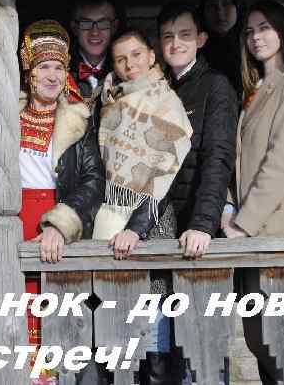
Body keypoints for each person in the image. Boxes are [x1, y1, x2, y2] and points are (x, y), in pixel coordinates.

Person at [94, 29, 192, 385]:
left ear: (151, 56)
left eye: (136, 55)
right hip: (110, 222)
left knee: (152, 339)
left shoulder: (166, 102)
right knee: (116, 339)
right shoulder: (109, 100)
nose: (129, 64)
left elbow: (166, 175)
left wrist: (136, 228)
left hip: (152, 223)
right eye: (120, 59)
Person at [222, 0, 284, 385]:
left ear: (282, 31)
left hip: (276, 232)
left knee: (280, 349)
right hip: (248, 236)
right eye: (249, 31)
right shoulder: (253, 90)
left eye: (265, 28)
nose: (256, 37)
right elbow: (238, 163)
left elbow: (282, 160)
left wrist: (244, 223)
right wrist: (228, 210)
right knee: (259, 342)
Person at [152, 4, 238, 385]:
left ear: (201, 39)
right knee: (162, 349)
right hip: (162, 232)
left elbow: (218, 157)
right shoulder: (159, 89)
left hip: (196, 233)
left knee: (201, 350)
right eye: (168, 36)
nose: (176, 43)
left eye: (185, 35)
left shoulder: (215, 86)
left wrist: (204, 223)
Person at [19, 19, 105, 383]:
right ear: (30, 74)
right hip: (15, 224)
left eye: (58, 67)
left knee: (60, 317)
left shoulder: (78, 120)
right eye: (44, 67)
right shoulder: (7, 119)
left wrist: (60, 224)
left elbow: (93, 180)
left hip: (59, 226)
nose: (52, 76)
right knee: (17, 316)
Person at [68, 0, 120, 120]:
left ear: (114, 27)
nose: (95, 32)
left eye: (103, 23)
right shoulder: (59, 71)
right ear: (75, 28)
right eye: (86, 23)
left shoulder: (127, 71)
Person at [198, 0, 246, 99]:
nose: (219, 12)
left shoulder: (253, 47)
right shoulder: (192, 53)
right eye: (212, 5)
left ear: (237, 7)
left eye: (226, 3)